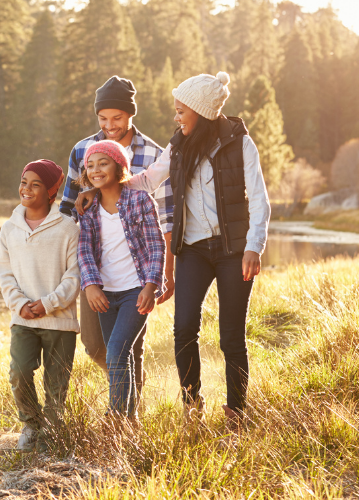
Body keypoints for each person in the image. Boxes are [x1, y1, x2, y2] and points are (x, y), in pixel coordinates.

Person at [76, 72, 271, 429]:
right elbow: (149, 178)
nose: (176, 117)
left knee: (231, 335)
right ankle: (192, 402)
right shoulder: (178, 145)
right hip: (193, 248)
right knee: (183, 329)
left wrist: (253, 247)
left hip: (234, 250)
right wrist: (102, 187)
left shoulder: (240, 143)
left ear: (200, 110)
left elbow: (259, 200)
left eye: (181, 110)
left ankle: (236, 411)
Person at [60, 75, 175, 406]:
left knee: (125, 346)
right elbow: (69, 209)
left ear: (131, 115)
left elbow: (166, 218)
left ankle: (124, 418)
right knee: (98, 346)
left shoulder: (152, 154)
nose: (110, 125)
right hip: (97, 271)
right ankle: (127, 399)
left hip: (138, 272)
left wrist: (165, 275)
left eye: (117, 118)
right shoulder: (82, 150)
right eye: (103, 118)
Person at [77, 140, 166, 420]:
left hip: (135, 292)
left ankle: (114, 419)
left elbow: (156, 246)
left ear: (119, 167)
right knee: (119, 356)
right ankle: (128, 422)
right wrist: (91, 285)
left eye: (103, 163)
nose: (95, 170)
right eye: (90, 165)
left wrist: (151, 286)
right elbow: (85, 250)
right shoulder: (88, 208)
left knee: (117, 352)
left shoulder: (140, 200)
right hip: (106, 294)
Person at [0, 159, 80, 452]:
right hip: (23, 319)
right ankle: (32, 425)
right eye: (23, 182)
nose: (26, 189)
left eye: (35, 184)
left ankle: (53, 437)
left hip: (60, 321)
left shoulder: (68, 228)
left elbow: (74, 277)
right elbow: (4, 273)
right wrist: (21, 305)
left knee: (57, 385)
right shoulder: (9, 229)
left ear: (51, 192)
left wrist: (47, 304)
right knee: (19, 372)